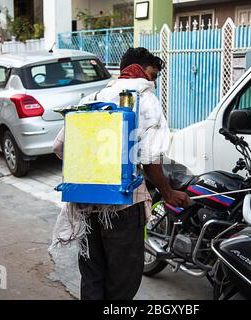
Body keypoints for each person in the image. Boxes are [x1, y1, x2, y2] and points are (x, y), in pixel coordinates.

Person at [50, 47, 191, 300]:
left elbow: (59, 146)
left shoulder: (92, 98)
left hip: (85, 203)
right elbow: (149, 158)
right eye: (152, 74)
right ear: (138, 70)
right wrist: (168, 192)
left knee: (93, 275)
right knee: (122, 281)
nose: (153, 81)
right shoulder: (145, 100)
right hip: (123, 207)